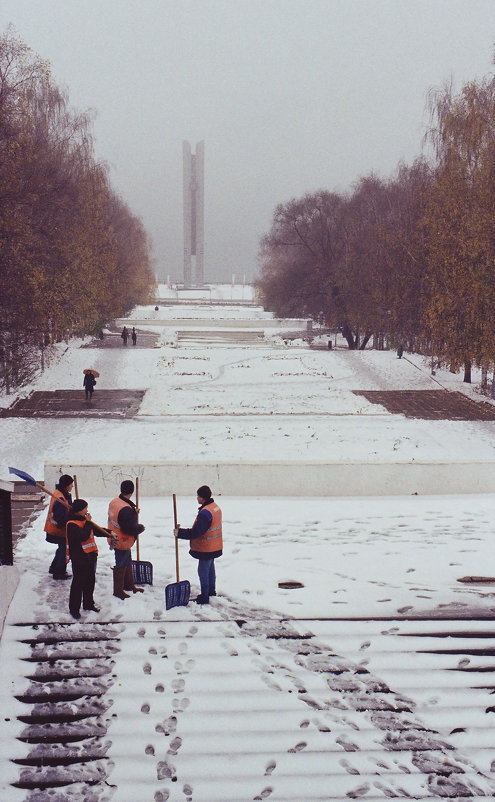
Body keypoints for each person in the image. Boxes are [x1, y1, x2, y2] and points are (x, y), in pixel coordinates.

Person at [175, 485, 222, 604]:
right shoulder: (215, 507)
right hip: (214, 545)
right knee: (210, 570)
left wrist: (179, 533)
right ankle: (211, 591)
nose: (197, 498)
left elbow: (196, 532)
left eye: (198, 496)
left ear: (202, 498)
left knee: (203, 572)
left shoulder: (205, 513)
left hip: (206, 547)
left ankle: (204, 596)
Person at [66, 498, 109, 619]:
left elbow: (96, 530)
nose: (87, 510)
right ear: (79, 511)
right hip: (79, 558)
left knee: (90, 581)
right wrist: (88, 522)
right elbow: (83, 536)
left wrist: (109, 532)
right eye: (85, 508)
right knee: (78, 583)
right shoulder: (71, 524)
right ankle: (74, 609)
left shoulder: (84, 521)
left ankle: (88, 603)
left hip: (90, 556)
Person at [107, 480, 145, 599]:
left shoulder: (115, 502)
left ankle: (129, 585)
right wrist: (139, 528)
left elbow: (120, 518)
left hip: (114, 537)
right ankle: (118, 590)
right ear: (132, 492)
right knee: (122, 563)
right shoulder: (126, 509)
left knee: (127, 561)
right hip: (122, 539)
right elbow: (128, 528)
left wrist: (133, 513)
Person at [44, 474, 73, 580]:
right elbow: (60, 519)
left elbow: (67, 507)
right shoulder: (59, 498)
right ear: (66, 486)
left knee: (61, 548)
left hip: (54, 529)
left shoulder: (61, 494)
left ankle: (54, 567)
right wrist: (72, 516)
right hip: (57, 530)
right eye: (71, 484)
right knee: (64, 549)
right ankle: (59, 572)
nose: (72, 487)